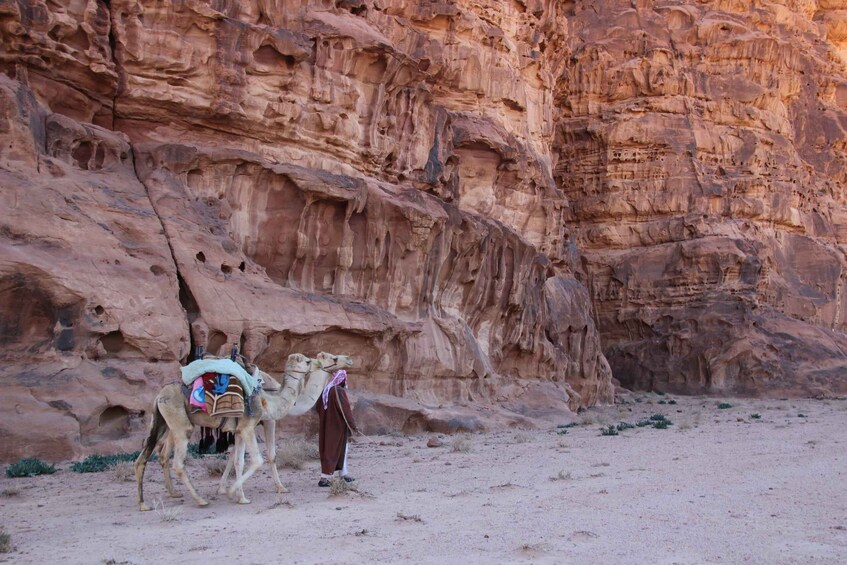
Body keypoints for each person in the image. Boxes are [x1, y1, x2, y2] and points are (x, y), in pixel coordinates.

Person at [315, 369, 357, 487]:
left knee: (338, 449)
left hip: (326, 427)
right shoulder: (339, 391)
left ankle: (343, 474)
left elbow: (318, 407)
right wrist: (353, 425)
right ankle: (325, 478)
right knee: (333, 450)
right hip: (337, 428)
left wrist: (326, 418)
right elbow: (346, 410)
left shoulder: (326, 390)